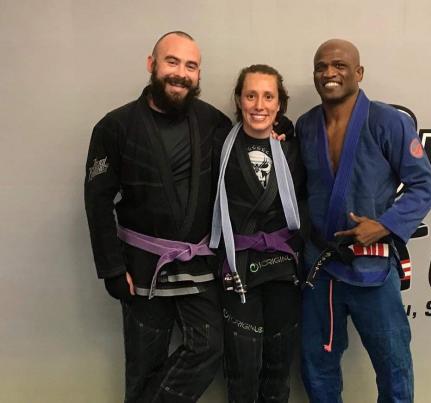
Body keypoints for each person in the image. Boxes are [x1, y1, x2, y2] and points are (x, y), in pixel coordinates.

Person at [84, 31, 232, 403]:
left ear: (198, 74)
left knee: (209, 348)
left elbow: (243, 158)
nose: (181, 73)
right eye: (172, 61)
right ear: (152, 65)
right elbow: (97, 200)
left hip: (198, 264)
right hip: (141, 268)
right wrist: (112, 269)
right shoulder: (115, 126)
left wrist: (280, 131)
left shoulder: (213, 123)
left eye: (191, 66)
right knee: (143, 366)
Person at [297, 39, 431, 403]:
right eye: (321, 67)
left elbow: (424, 185)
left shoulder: (388, 121)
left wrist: (386, 225)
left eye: (340, 65)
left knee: (393, 365)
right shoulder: (305, 125)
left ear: (358, 73)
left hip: (371, 264)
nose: (329, 73)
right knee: (316, 363)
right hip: (320, 266)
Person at [210, 64, 305, 403]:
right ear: (239, 100)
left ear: (280, 104)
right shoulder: (218, 146)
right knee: (242, 368)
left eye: (268, 97)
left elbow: (311, 201)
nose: (259, 105)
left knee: (278, 368)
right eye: (251, 96)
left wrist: (286, 128)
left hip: (282, 270)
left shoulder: (293, 149)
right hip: (238, 268)